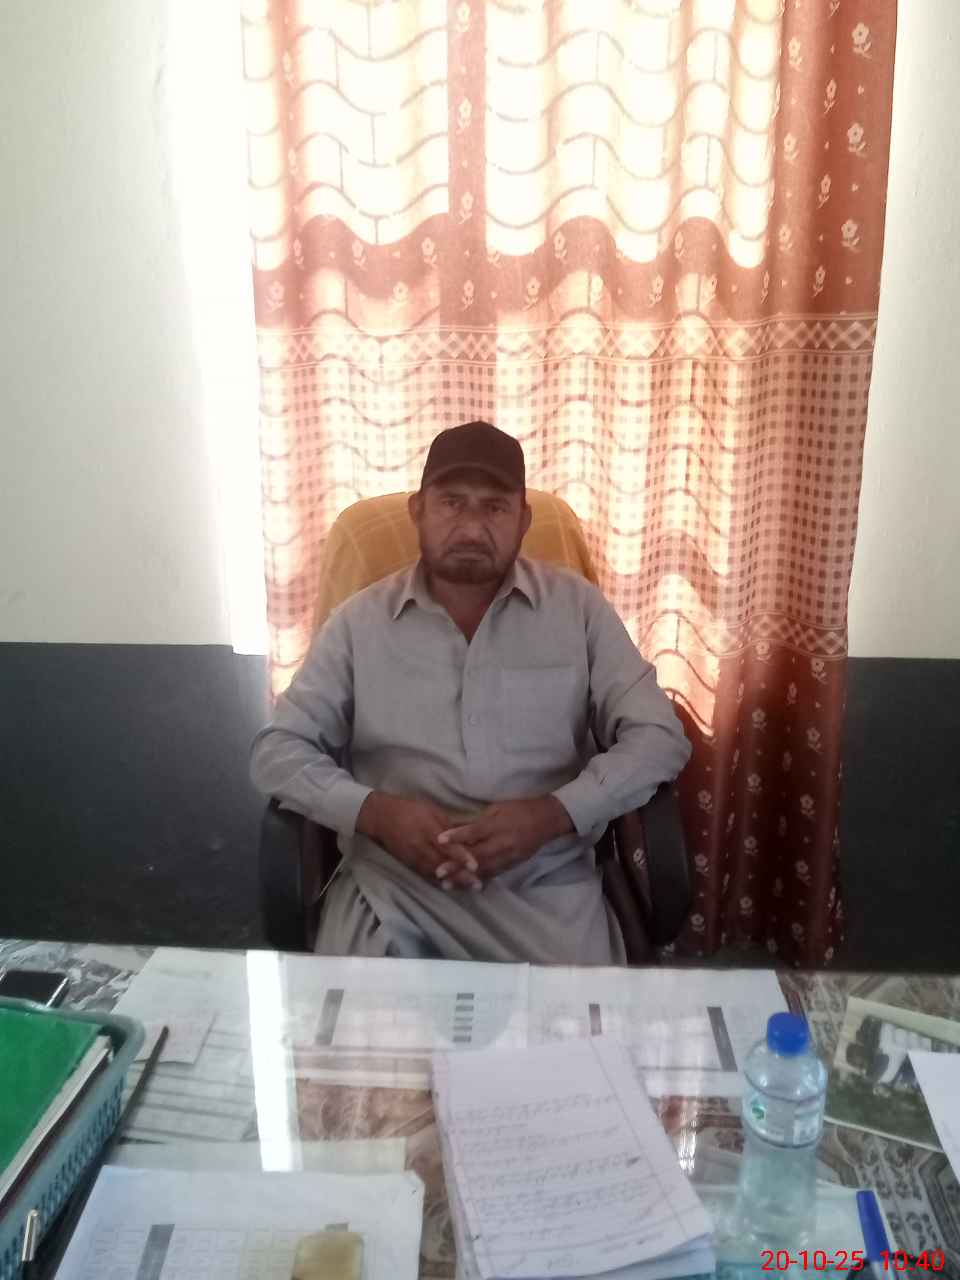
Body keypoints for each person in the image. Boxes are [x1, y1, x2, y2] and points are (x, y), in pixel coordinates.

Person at [250, 420, 692, 963]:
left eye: (495, 507)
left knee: (576, 1022)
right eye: (452, 503)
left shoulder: (578, 612)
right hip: (391, 892)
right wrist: (375, 813)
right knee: (361, 1021)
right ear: (418, 511)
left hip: (547, 891)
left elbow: (659, 738)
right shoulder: (358, 624)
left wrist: (554, 814)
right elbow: (277, 751)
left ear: (523, 520)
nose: (471, 527)